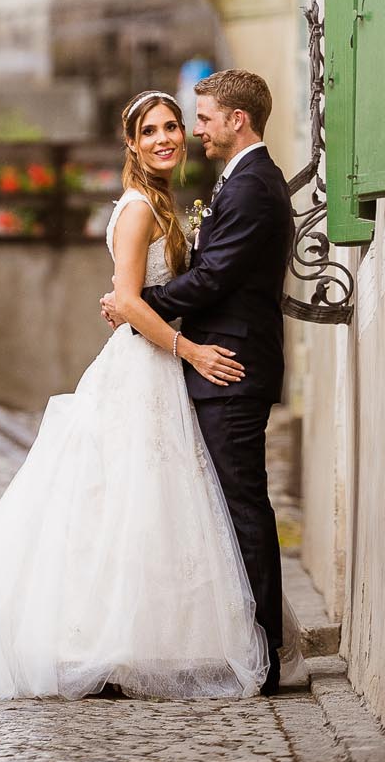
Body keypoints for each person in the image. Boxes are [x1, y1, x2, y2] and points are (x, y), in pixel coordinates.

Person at [0, 89, 269, 701]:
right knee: (128, 502)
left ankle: (148, 637)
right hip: (148, 364)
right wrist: (190, 351)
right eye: (151, 131)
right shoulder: (138, 209)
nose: (166, 138)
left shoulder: (160, 201)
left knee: (152, 504)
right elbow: (128, 300)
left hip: (157, 364)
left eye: (174, 127)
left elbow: (141, 296)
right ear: (131, 145)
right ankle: (104, 640)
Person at [101, 68, 294, 695]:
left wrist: (139, 302)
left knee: (236, 507)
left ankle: (258, 650)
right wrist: (140, 308)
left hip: (227, 365)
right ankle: (226, 640)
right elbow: (204, 277)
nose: (189, 132)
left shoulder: (250, 187)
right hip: (197, 361)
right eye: (155, 128)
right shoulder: (212, 189)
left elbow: (210, 280)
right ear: (132, 144)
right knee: (189, 507)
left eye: (194, 119)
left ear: (235, 119)